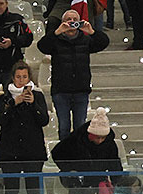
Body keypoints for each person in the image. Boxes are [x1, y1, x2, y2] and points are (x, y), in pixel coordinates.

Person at [37, 10, 109, 140]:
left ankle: (78, 157)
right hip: (61, 91)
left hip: (81, 90)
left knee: (80, 128)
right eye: (68, 19)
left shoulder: (85, 39)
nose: (71, 22)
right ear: (63, 22)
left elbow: (103, 43)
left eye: (74, 19)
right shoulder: (55, 40)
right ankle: (64, 158)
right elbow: (42, 46)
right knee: (64, 127)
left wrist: (91, 31)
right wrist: (57, 32)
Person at [0, 60, 49, 194]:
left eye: (24, 77)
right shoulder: (4, 98)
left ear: (29, 78)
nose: (21, 80)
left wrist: (32, 105)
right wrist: (14, 103)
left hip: (33, 152)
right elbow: (1, 120)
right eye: (18, 77)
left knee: (34, 192)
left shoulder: (38, 96)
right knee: (11, 193)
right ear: (13, 78)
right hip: (10, 152)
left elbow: (44, 120)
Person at [49, 107, 123, 194]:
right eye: (97, 137)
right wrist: (69, 169)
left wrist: (117, 182)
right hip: (76, 180)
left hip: (97, 180)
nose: (100, 141)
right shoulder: (76, 139)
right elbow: (57, 153)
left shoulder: (110, 144)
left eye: (102, 138)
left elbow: (115, 164)